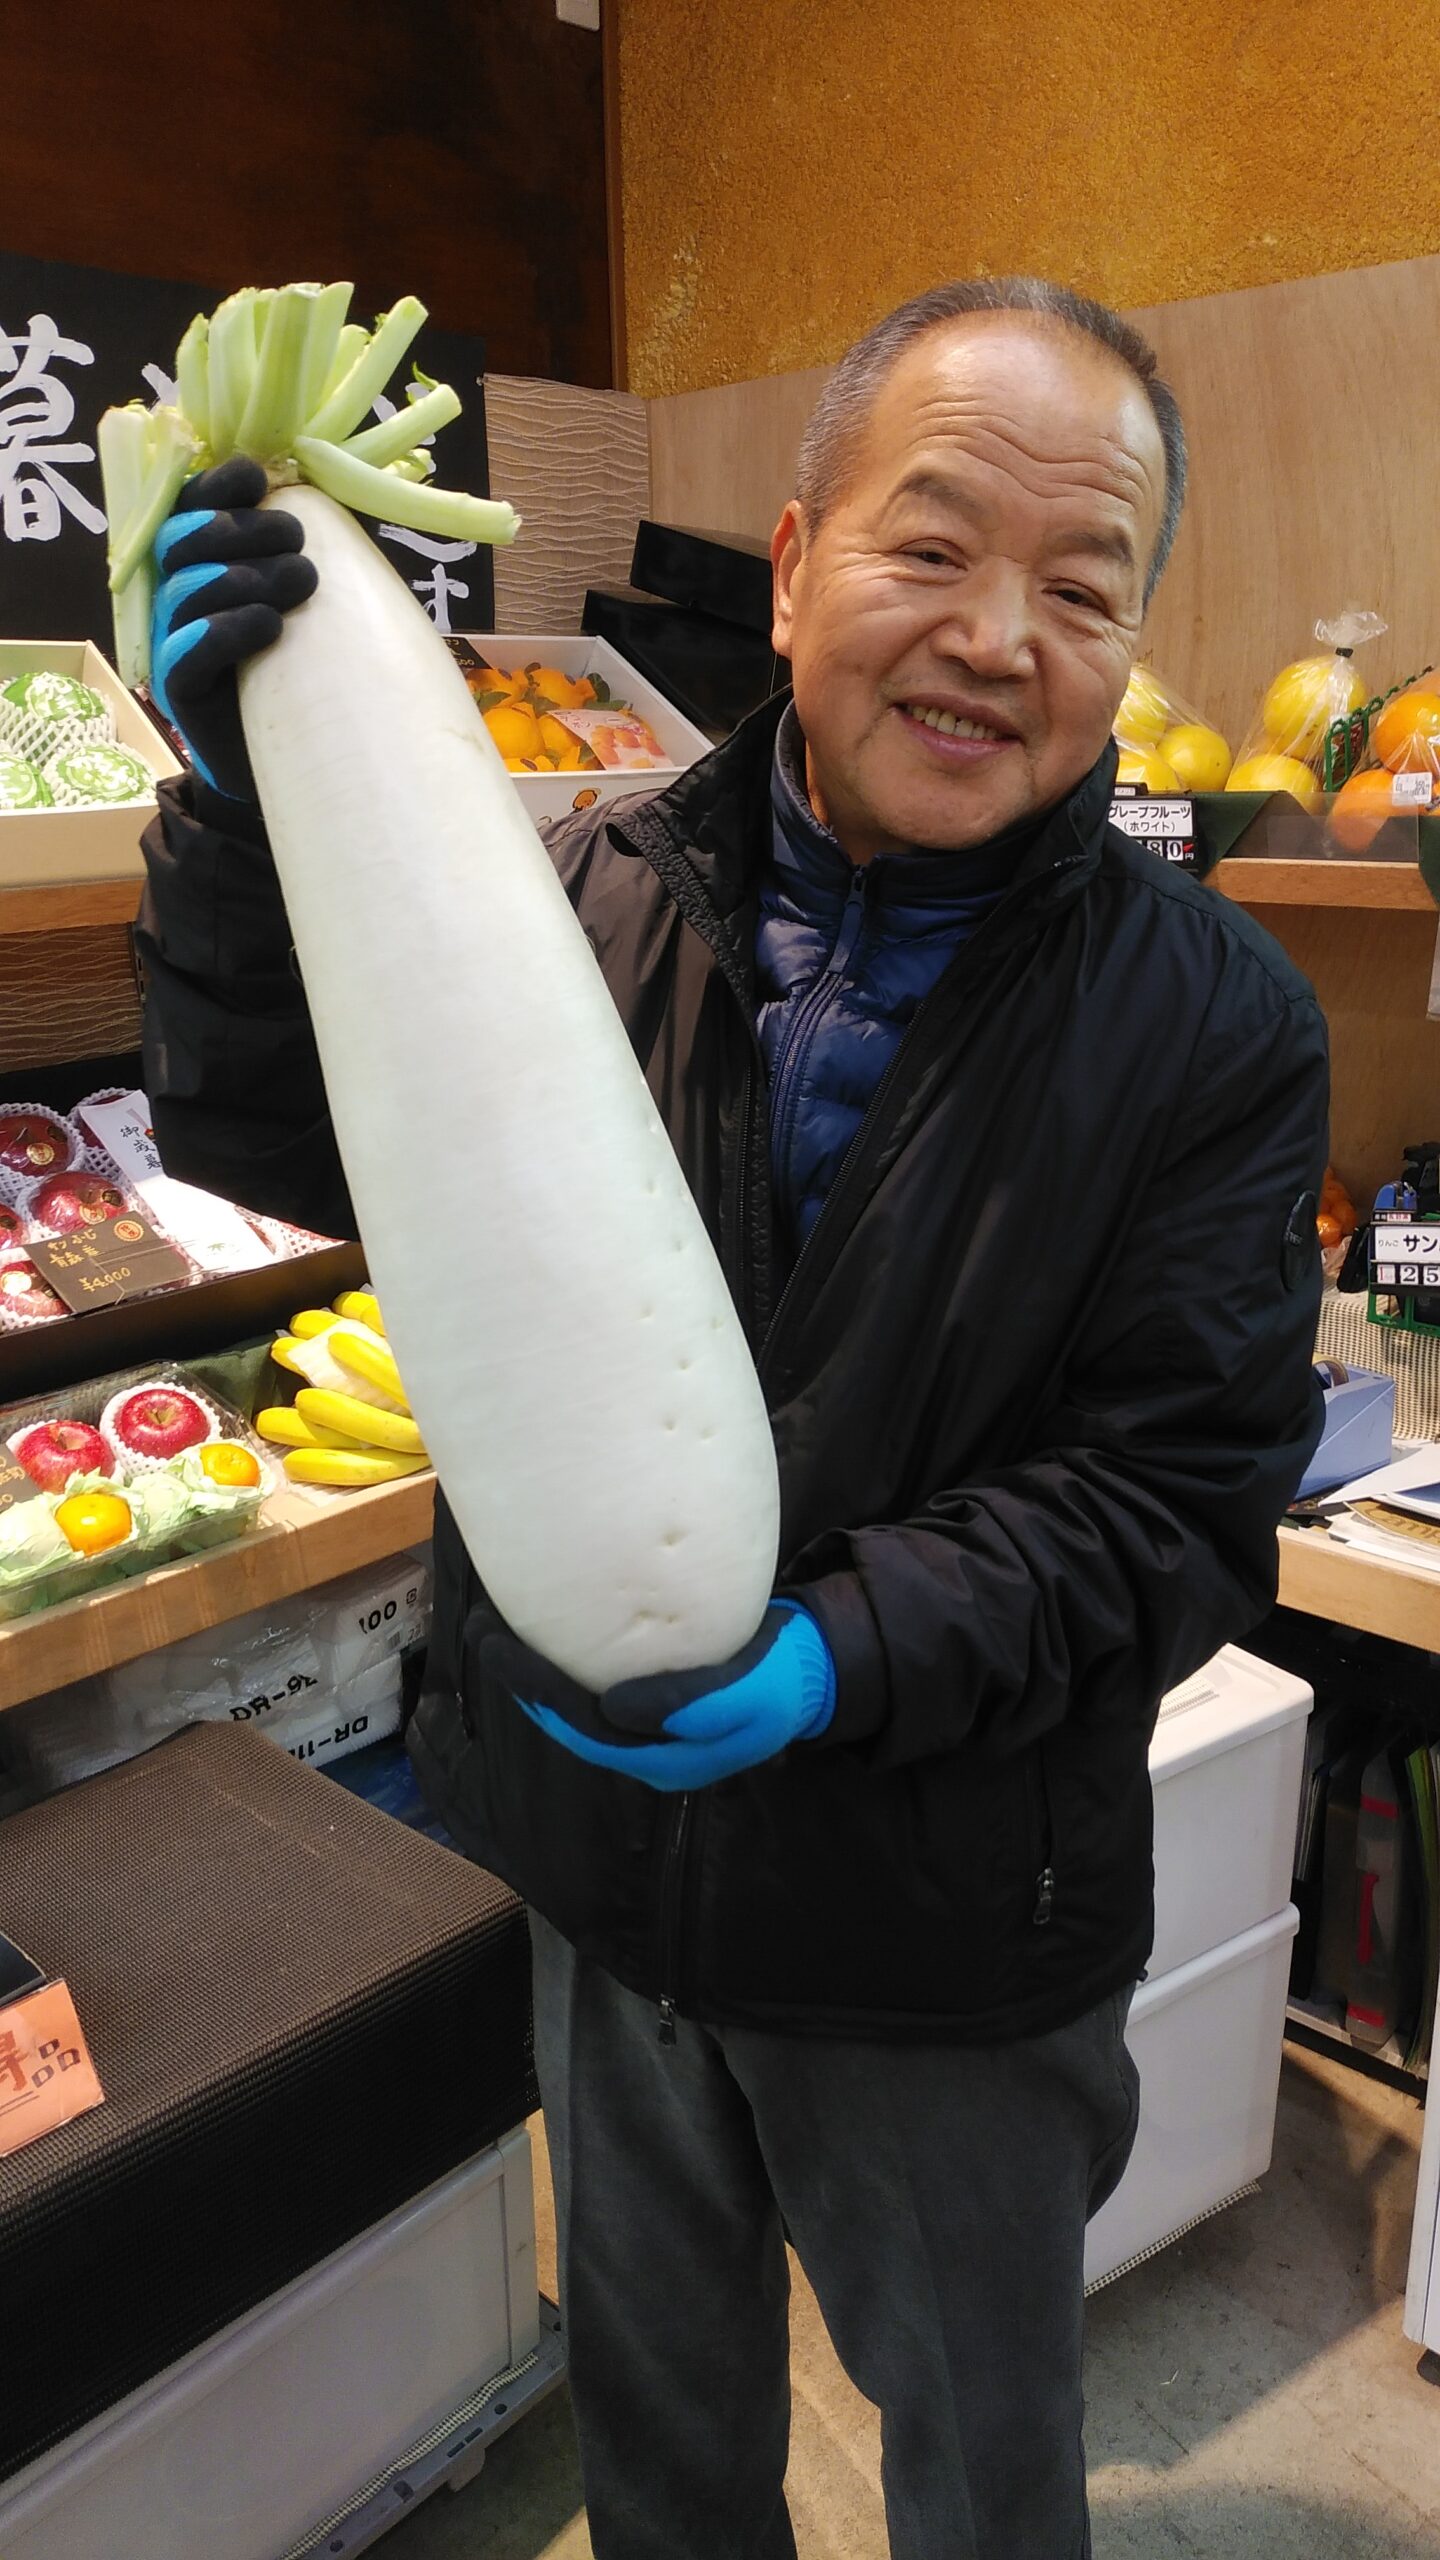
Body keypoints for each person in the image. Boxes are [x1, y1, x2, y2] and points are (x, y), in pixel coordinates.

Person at [135, 275, 1328, 2560]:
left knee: (981, 2478)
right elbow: (285, 1144)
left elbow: (1172, 1504)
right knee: (668, 2466)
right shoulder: (577, 893)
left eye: (1082, 589)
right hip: (608, 1886)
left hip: (947, 1933)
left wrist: (835, 1652)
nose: (997, 637)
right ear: (790, 568)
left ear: (1128, 643)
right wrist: (237, 810)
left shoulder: (1217, 1030)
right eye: (932, 546)